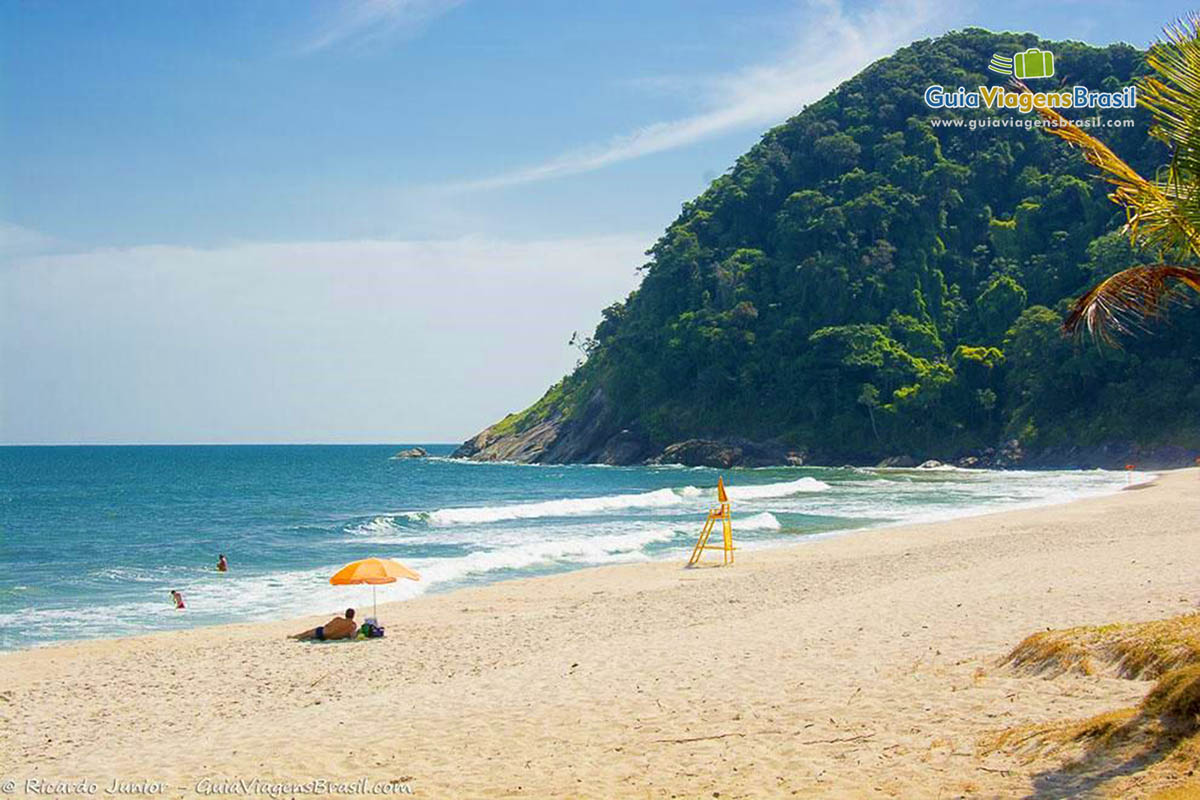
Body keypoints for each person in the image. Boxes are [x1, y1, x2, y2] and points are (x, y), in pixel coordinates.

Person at [291, 608, 356, 641]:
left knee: (306, 633)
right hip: (329, 638)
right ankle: (299, 637)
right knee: (309, 635)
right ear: (353, 615)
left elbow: (327, 625)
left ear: (345, 614)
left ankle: (295, 637)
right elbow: (352, 636)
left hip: (323, 633)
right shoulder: (353, 625)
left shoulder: (338, 619)